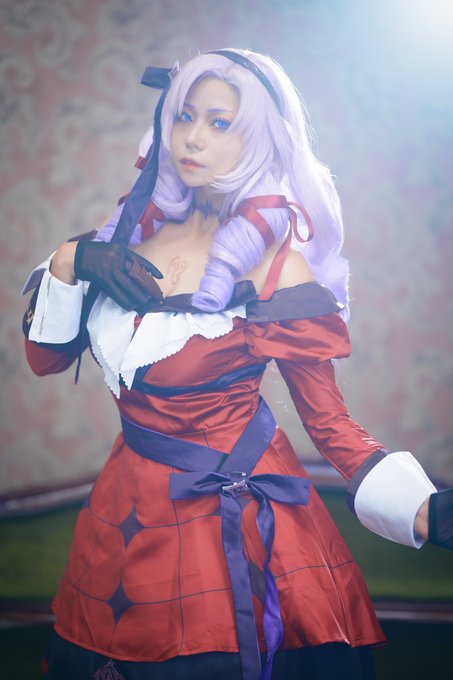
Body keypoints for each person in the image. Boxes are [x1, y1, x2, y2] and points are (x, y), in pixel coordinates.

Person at [22, 49, 452, 680]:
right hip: (123, 507)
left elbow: (329, 424)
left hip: (238, 520)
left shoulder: (277, 268)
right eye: (184, 116)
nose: (193, 138)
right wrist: (70, 260)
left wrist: (426, 511)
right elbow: (45, 361)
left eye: (220, 123)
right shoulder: (119, 243)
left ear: (258, 140)